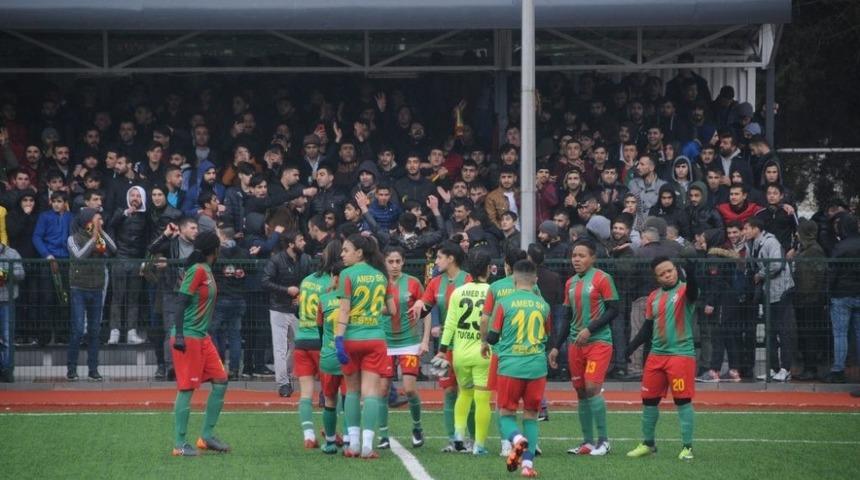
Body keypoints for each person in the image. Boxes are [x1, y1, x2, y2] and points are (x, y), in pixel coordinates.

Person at [549, 239, 619, 456]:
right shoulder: (570, 283)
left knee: (591, 388)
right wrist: (555, 346)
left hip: (598, 342)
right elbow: (567, 316)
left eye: (581, 255)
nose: (576, 259)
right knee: (580, 392)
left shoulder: (602, 278)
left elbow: (614, 309)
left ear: (593, 258)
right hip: (575, 345)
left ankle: (604, 442)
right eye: (574, 256)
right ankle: (588, 442)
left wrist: (589, 329)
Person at [626, 256, 699, 461]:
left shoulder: (685, 290)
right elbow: (647, 328)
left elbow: (693, 291)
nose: (667, 275)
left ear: (676, 269)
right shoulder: (653, 297)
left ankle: (687, 447)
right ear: (657, 278)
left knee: (682, 401)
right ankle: (648, 443)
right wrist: (630, 348)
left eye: (670, 271)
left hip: (680, 356)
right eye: (662, 274)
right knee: (649, 402)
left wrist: (692, 273)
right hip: (656, 356)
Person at [486, 259, 551, 478]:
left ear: (514, 278)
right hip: (536, 367)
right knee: (531, 415)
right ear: (535, 280)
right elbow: (546, 335)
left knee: (506, 414)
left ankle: (516, 439)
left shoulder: (504, 303)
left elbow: (493, 336)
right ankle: (527, 466)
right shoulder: (544, 305)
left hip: (510, 366)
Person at [169, 230, 230, 457]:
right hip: (189, 335)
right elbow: (180, 303)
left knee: (221, 381)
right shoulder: (197, 271)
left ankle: (206, 436)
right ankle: (179, 443)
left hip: (202, 337)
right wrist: (181, 336)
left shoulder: (206, 270)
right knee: (186, 387)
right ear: (214, 249)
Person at [408, 242, 472, 452]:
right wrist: (419, 305)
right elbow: (426, 305)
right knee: (449, 391)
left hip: (466, 346)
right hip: (444, 348)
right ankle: (453, 440)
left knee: (467, 392)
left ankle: (471, 439)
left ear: (451, 258)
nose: (436, 261)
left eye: (439, 257)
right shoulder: (435, 283)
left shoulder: (468, 279)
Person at [333, 234, 390, 459]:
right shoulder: (381, 276)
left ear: (359, 252)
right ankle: (367, 445)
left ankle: (354, 444)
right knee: (371, 393)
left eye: (346, 250)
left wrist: (338, 339)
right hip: (375, 338)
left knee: (352, 392)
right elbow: (387, 308)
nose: (342, 254)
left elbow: (344, 310)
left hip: (352, 339)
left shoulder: (347, 274)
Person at [435, 251, 493, 455]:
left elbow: (449, 324)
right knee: (482, 399)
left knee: (464, 394)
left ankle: (458, 436)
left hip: (460, 353)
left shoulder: (458, 291)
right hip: (483, 353)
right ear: (488, 269)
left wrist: (442, 350)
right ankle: (479, 445)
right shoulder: (492, 291)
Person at [378, 247, 428, 449]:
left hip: (409, 342)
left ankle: (417, 427)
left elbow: (425, 311)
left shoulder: (414, 283)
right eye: (390, 261)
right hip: (385, 344)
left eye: (398, 261)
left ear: (403, 262)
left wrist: (425, 340)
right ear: (384, 262)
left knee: (409, 389)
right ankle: (383, 436)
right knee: (382, 391)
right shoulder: (379, 283)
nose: (395, 265)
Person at [294, 240, 340, 448]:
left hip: (301, 339)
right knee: (332, 392)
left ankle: (308, 435)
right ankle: (333, 431)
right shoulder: (330, 285)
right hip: (320, 342)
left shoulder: (305, 281)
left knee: (305, 392)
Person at [66, 208, 116, 381]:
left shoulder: (100, 235)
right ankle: (71, 368)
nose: (100, 222)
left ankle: (93, 369)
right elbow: (79, 256)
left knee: (95, 331)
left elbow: (114, 248)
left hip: (97, 288)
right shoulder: (73, 238)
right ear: (87, 220)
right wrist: (94, 238)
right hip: (78, 288)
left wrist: (100, 232)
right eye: (97, 220)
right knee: (78, 329)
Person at [745, 217, 796, 382]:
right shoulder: (750, 244)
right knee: (770, 331)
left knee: (783, 330)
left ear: (756, 229)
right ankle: (773, 368)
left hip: (781, 291)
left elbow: (776, 264)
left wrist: (760, 275)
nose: (744, 232)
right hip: (768, 293)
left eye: (747, 228)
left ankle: (786, 368)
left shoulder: (770, 242)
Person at [262, 231, 312, 397]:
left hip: (297, 308)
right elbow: (265, 281)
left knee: (298, 344)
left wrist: (301, 296)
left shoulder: (306, 259)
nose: (304, 242)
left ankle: (288, 376)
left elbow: (310, 280)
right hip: (278, 308)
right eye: (300, 240)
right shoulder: (276, 260)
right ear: (291, 244)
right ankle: (283, 383)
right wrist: (286, 290)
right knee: (280, 347)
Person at [315, 240, 347, 454]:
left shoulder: (324, 299)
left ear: (333, 278)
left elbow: (319, 329)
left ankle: (329, 443)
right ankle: (349, 438)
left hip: (328, 354)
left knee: (329, 400)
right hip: (348, 355)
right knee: (350, 397)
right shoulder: (353, 299)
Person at [825, 213, 860, 384]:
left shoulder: (840, 246)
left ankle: (838, 369)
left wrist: (828, 292)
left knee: (840, 334)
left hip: (841, 294)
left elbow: (833, 272)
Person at [0, 239, 25, 383]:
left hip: (6, 302)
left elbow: (21, 274)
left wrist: (5, 274)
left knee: (7, 338)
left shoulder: (11, 253)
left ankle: (7, 371)